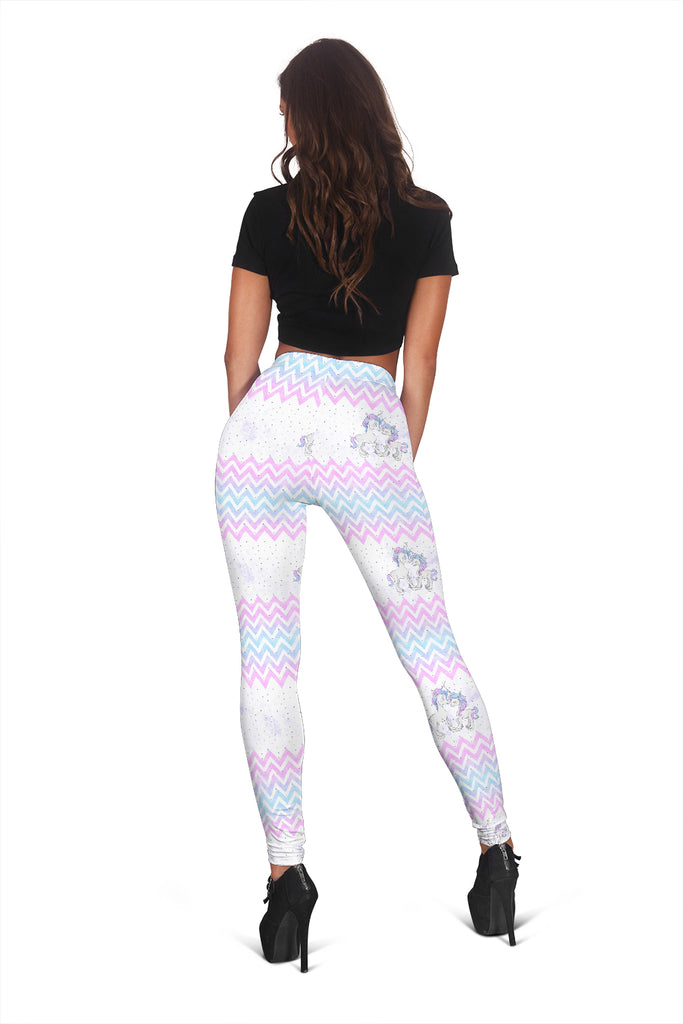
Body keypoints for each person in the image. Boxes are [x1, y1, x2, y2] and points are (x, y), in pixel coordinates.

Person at [214, 38, 522, 970]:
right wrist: (386, 461)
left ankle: (285, 881)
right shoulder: (426, 218)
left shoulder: (267, 211)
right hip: (365, 427)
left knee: (268, 663)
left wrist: (265, 437)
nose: (279, 120)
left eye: (285, 107)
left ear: (308, 115)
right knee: (432, 652)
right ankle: (496, 858)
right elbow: (419, 364)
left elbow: (236, 357)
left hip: (263, 430)